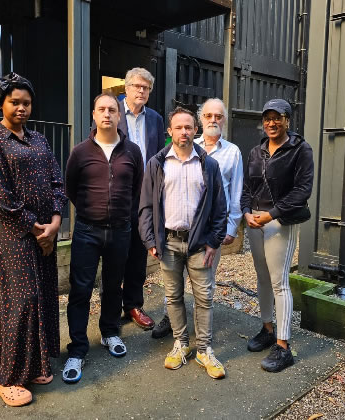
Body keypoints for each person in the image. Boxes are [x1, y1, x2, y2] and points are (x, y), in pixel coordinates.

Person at [0, 73, 68, 406]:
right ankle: (8, 377)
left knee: (43, 298)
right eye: (15, 102)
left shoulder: (39, 140)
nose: (21, 108)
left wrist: (55, 221)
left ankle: (36, 366)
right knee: (21, 302)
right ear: (1, 103)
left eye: (26, 102)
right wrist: (35, 227)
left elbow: (58, 182)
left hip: (46, 232)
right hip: (14, 236)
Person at [139, 107, 227, 379]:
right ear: (170, 132)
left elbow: (219, 208)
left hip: (200, 244)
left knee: (204, 297)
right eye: (178, 127)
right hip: (169, 244)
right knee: (173, 296)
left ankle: (204, 349)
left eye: (189, 127)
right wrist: (150, 240)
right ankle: (181, 343)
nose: (184, 132)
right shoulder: (156, 164)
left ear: (195, 130)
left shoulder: (208, 164)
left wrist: (214, 241)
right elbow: (145, 207)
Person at [63, 93, 144, 383]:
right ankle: (77, 348)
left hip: (121, 230)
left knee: (113, 286)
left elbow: (136, 189)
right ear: (94, 115)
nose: (107, 114)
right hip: (87, 230)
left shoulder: (132, 152)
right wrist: (90, 210)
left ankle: (109, 332)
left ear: (119, 115)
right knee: (80, 290)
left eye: (112, 109)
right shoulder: (80, 152)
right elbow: (71, 188)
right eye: (102, 109)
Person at [152, 98, 243, 339]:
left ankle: (202, 338)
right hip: (175, 231)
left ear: (223, 120)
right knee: (173, 285)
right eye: (209, 115)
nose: (214, 120)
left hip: (208, 230)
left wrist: (227, 230)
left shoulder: (232, 152)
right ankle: (171, 321)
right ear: (200, 120)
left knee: (204, 286)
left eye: (219, 116)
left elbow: (234, 195)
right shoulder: (184, 147)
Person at [241, 99, 314, 373]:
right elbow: (247, 187)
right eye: (267, 118)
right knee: (261, 277)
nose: (271, 123)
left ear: (288, 120)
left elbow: (302, 191)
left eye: (277, 118)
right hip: (255, 222)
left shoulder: (300, 150)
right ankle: (268, 328)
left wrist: (270, 214)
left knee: (279, 281)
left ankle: (284, 347)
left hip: (280, 221)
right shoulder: (256, 151)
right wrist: (246, 211)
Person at [94, 67, 166, 330]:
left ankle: (134, 304)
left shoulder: (156, 119)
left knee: (138, 252)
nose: (142, 92)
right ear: (126, 88)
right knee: (114, 253)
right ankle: (109, 308)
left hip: (145, 196)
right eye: (137, 86)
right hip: (118, 195)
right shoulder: (110, 113)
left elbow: (159, 158)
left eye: (146, 88)